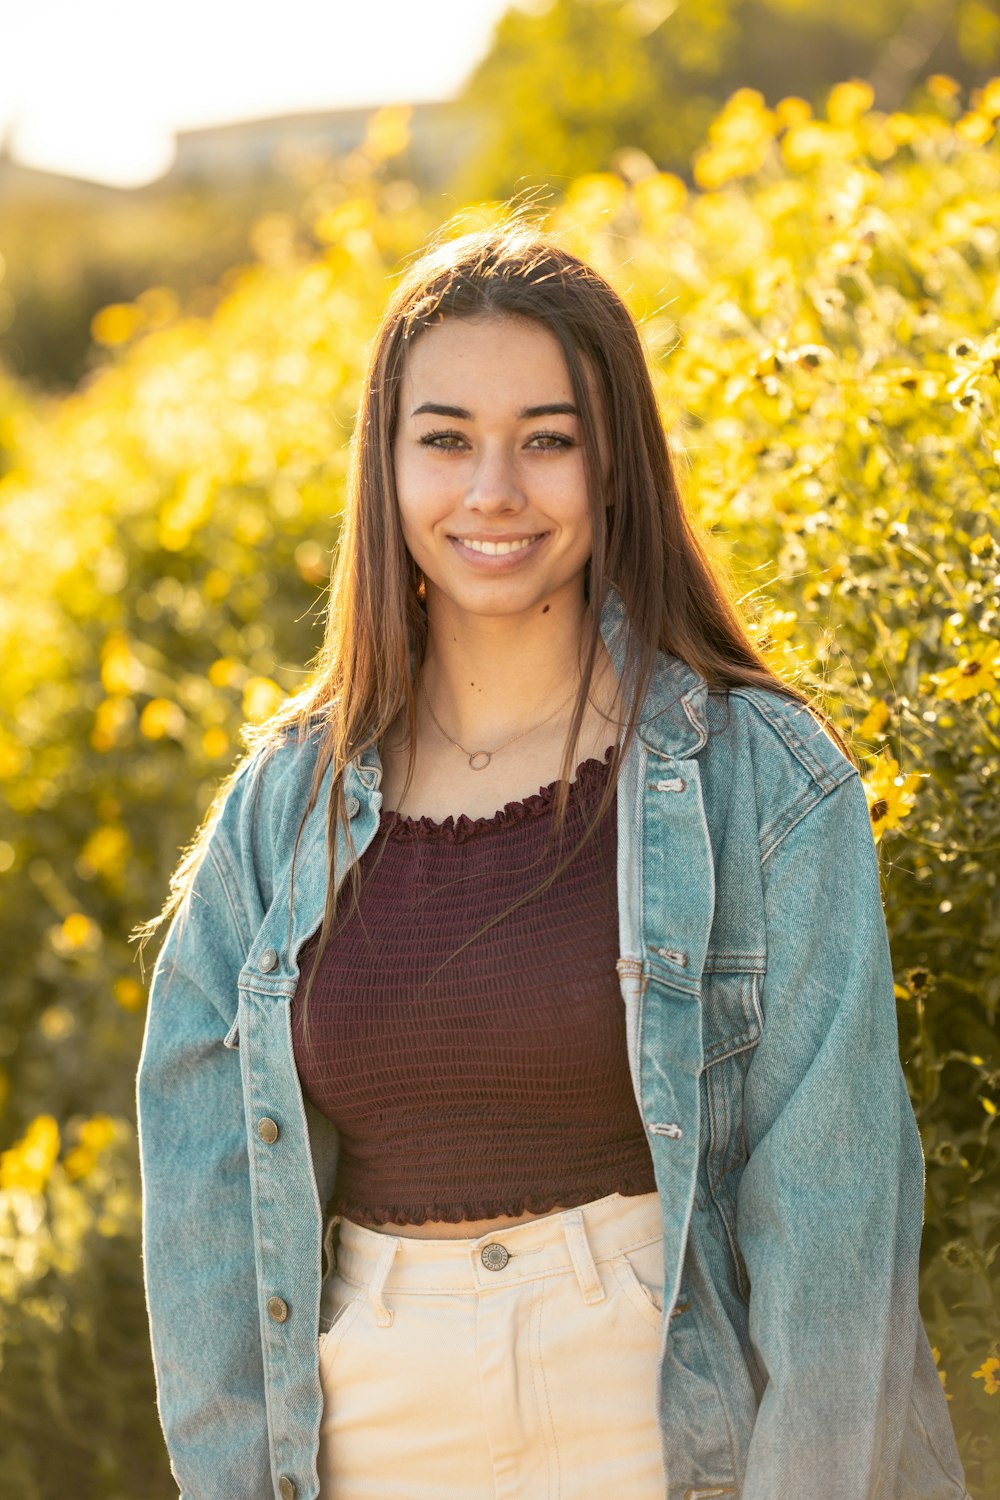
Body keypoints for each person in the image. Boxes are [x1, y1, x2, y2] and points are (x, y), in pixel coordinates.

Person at [135, 223, 968, 1500]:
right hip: (369, 1424)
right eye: (448, 438)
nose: (493, 492)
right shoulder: (275, 815)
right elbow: (203, 1222)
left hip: (660, 1414)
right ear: (388, 464)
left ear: (614, 464)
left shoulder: (761, 780)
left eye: (547, 438)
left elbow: (833, 1232)